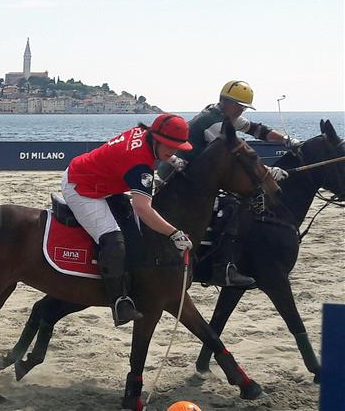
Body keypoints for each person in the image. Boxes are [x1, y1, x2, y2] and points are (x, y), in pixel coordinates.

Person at [157, 80, 301, 287]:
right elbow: (237, 158)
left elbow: (257, 130)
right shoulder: (215, 124)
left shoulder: (225, 116)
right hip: (177, 180)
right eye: (240, 106)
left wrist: (286, 140)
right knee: (232, 206)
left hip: (192, 177)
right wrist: (268, 173)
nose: (242, 110)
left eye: (244, 107)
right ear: (227, 102)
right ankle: (223, 268)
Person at [63, 114, 194, 326]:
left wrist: (171, 159)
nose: (173, 150)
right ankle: (119, 302)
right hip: (81, 188)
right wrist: (174, 233)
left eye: (177, 147)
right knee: (113, 240)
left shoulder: (145, 135)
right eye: (170, 146)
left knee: (134, 233)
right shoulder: (140, 166)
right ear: (156, 138)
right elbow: (142, 208)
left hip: (103, 181)